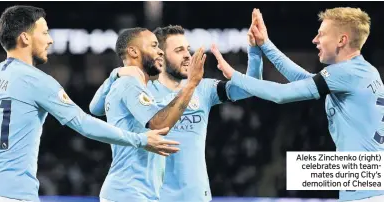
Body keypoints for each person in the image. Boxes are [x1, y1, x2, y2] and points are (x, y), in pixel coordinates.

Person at [0, 6, 179, 202]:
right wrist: (139, 139)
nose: (50, 39)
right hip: (15, 195)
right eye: (44, 33)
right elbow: (83, 123)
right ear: (25, 38)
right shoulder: (37, 81)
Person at [90, 14, 263, 202]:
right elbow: (97, 108)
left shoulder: (203, 88)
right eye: (179, 50)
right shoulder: (141, 90)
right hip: (155, 196)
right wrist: (116, 75)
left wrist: (255, 50)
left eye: (188, 49)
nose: (188, 55)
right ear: (161, 56)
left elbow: (250, 88)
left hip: (196, 196)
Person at [217, 8, 384, 202]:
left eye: (321, 34)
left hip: (366, 195)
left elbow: (280, 94)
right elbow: (303, 80)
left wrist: (234, 76)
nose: (315, 40)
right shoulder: (362, 71)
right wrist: (266, 45)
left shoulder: (346, 73)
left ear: (342, 40)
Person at [97, 27, 206, 202]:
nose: (160, 52)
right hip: (129, 194)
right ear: (133, 51)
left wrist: (114, 74)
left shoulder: (130, 85)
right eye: (154, 46)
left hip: (134, 193)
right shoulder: (129, 85)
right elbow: (158, 125)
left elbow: (95, 108)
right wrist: (191, 84)